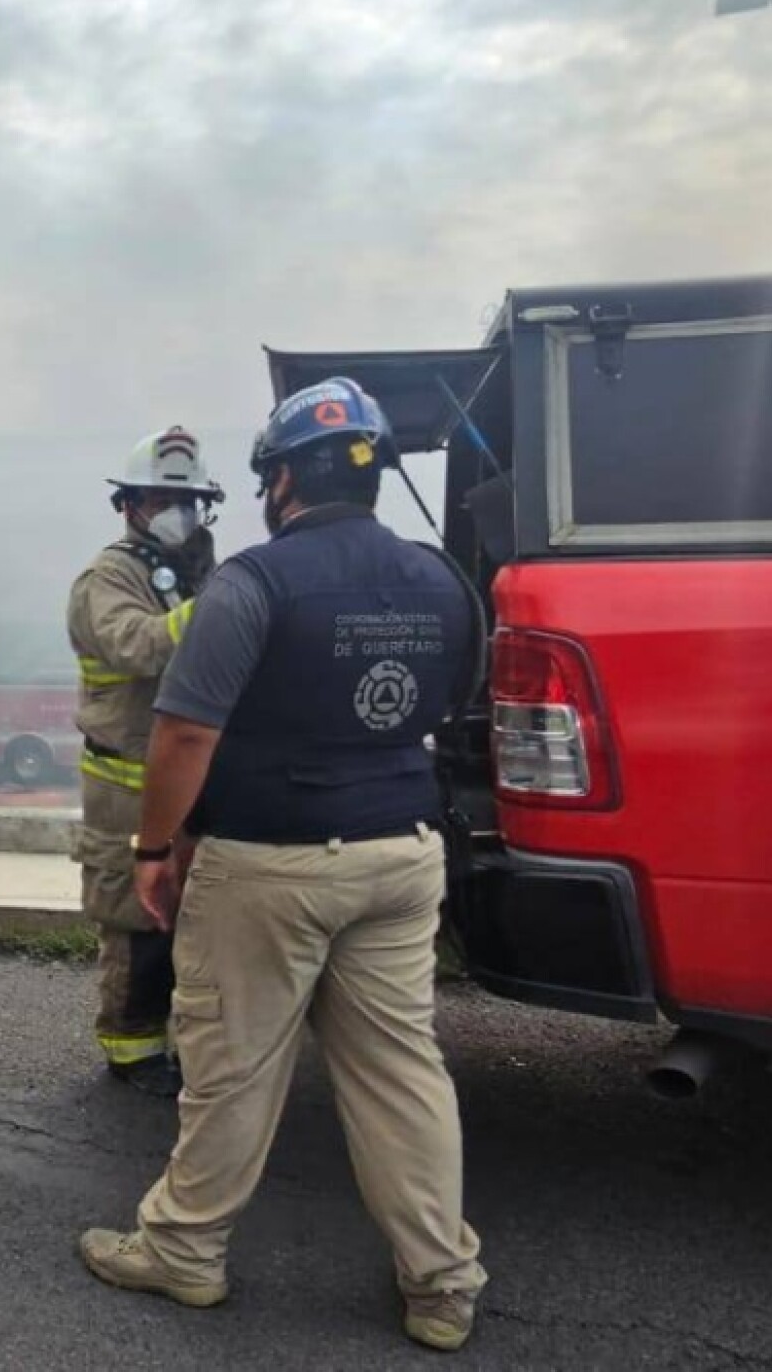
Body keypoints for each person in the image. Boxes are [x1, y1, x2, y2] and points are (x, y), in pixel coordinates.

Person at [77, 378, 489, 1353]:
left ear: (279, 481)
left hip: (271, 863)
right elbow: (454, 703)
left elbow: (181, 735)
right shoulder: (440, 578)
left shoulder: (254, 582)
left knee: (233, 1064)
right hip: (403, 854)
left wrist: (153, 849)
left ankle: (183, 1251)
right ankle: (441, 1282)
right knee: (401, 1073)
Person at [66, 425, 221, 1098]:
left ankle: (187, 1048)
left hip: (193, 779)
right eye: (161, 498)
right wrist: (223, 612)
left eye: (186, 500)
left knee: (195, 917)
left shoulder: (200, 573)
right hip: (124, 785)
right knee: (136, 924)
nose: (176, 512)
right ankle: (131, 1053)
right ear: (129, 505)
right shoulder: (108, 577)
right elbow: (138, 645)